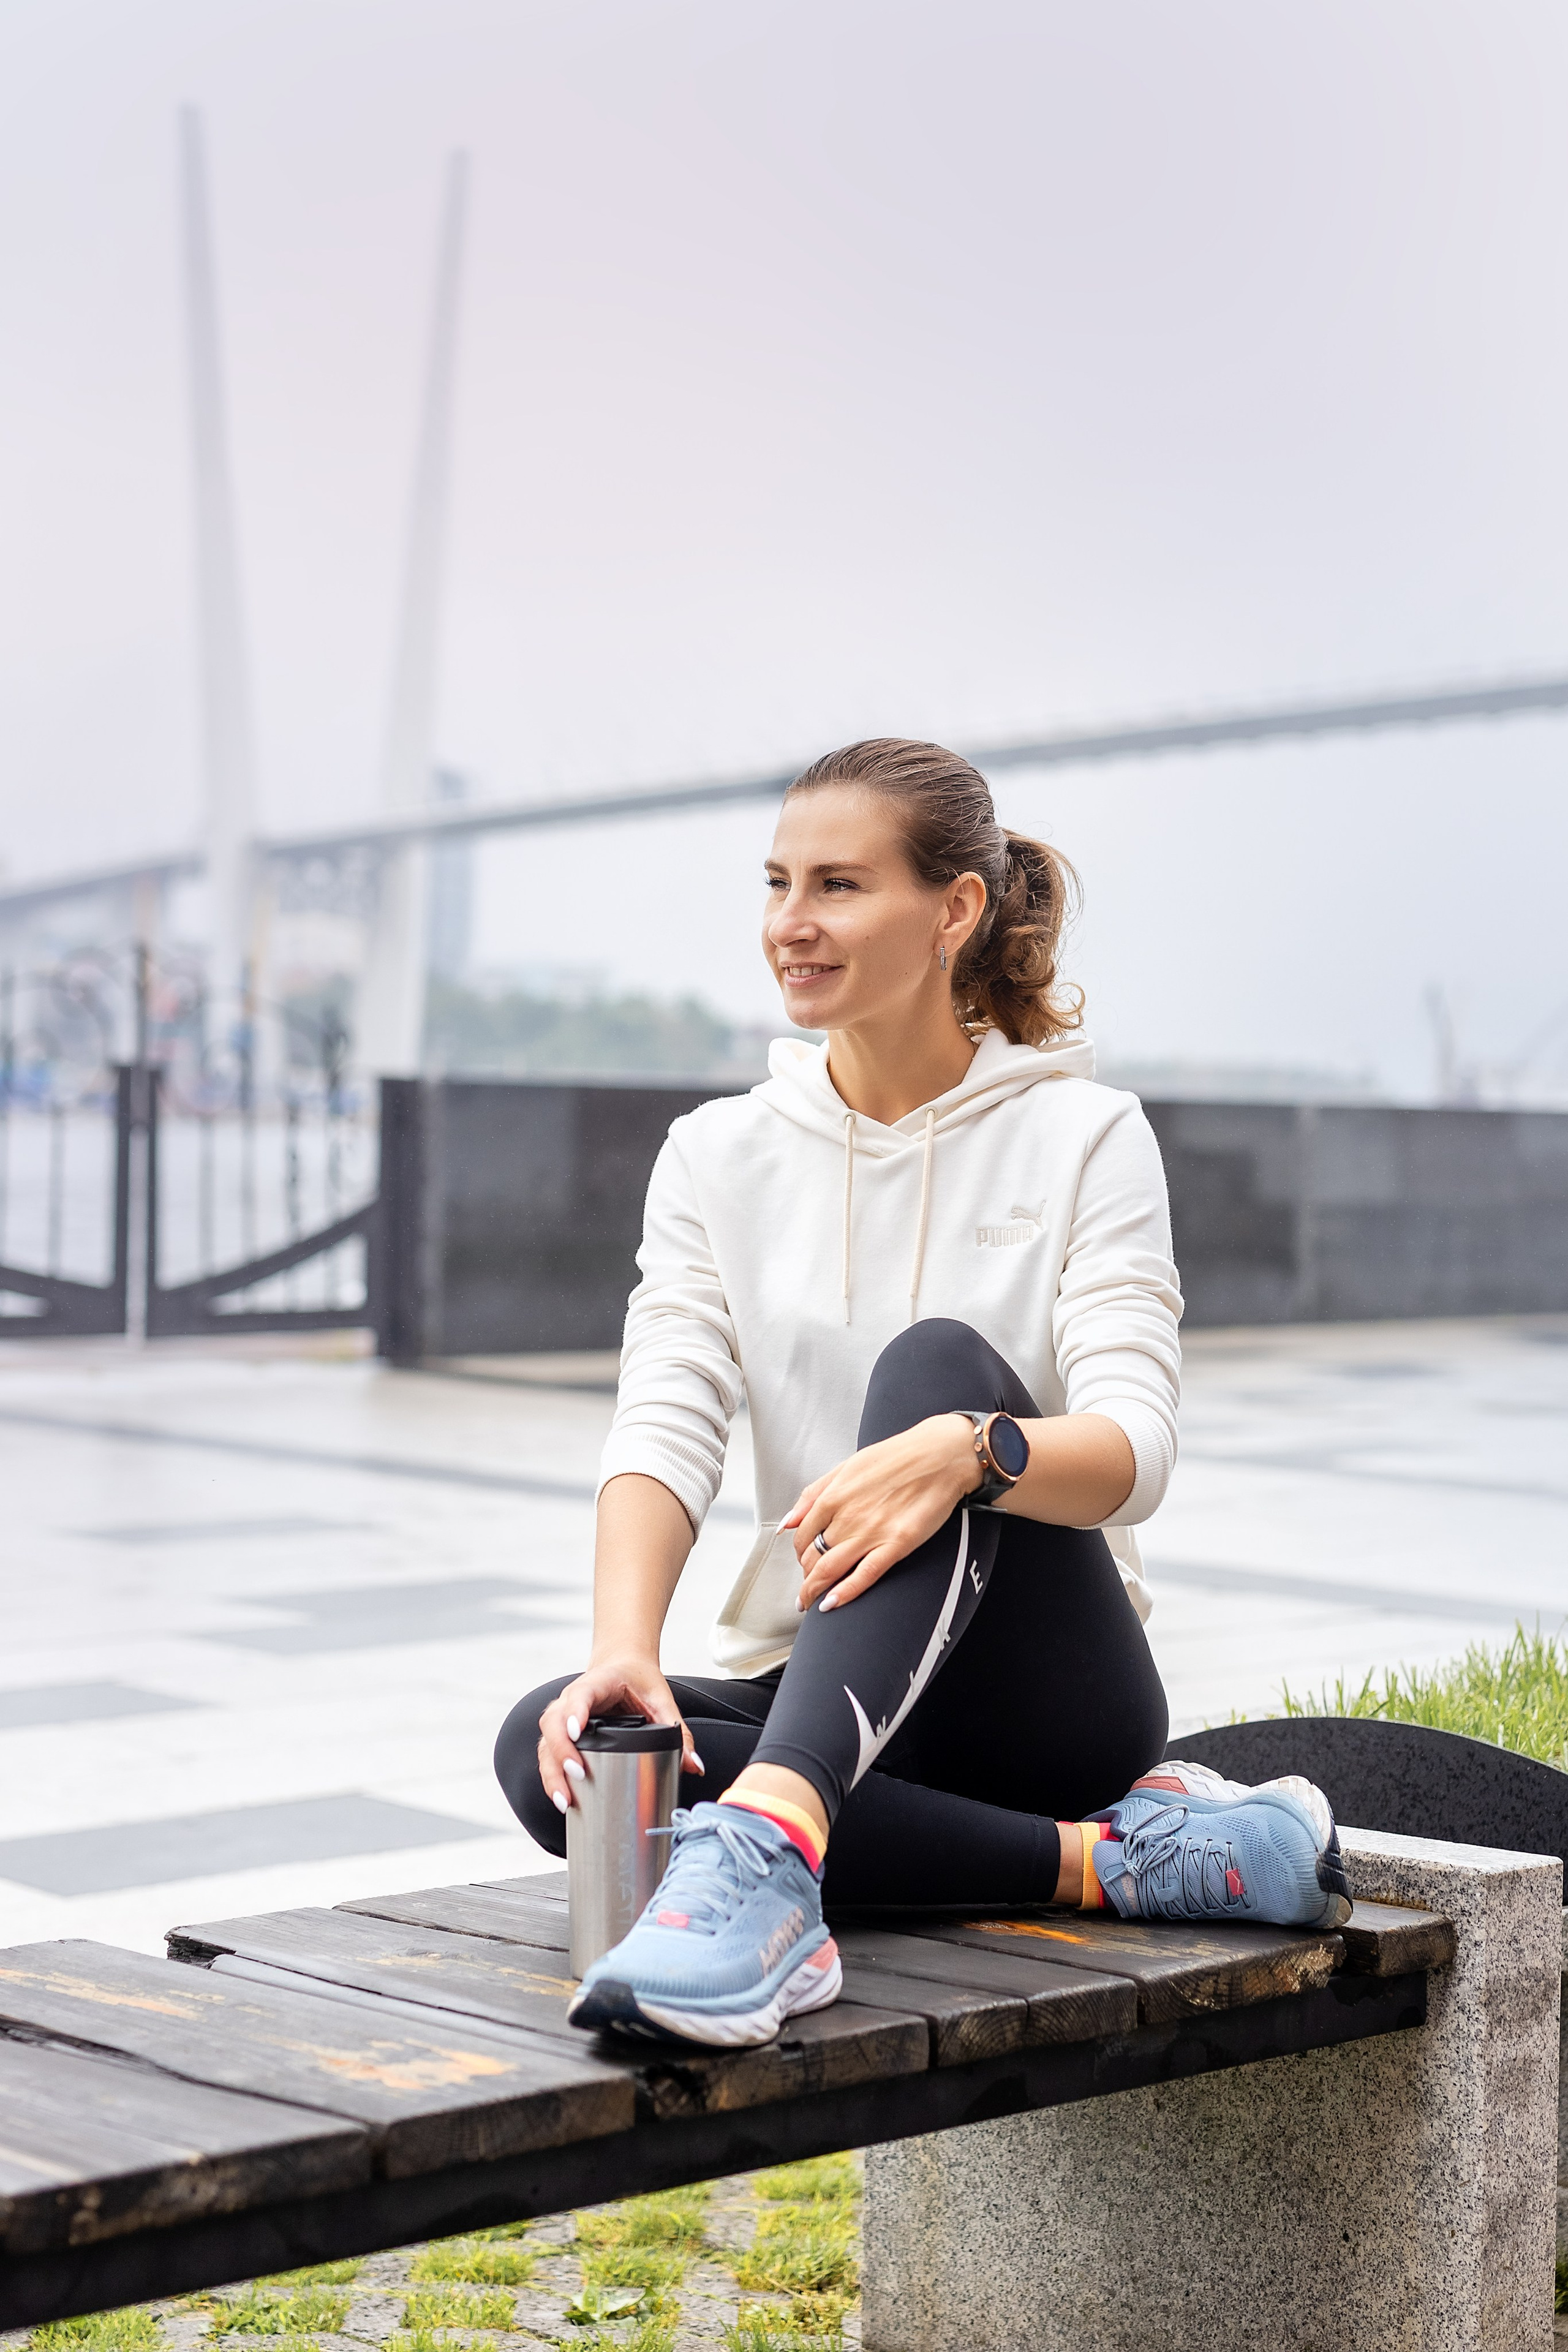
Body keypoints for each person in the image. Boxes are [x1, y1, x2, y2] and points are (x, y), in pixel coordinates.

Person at [494, 737, 1350, 2048]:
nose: (790, 923)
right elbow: (665, 1414)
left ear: (953, 909)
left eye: (837, 886)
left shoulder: (1084, 1135)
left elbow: (1137, 1445)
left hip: (1043, 1694)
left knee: (936, 1367)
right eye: (777, 883)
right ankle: (1110, 1861)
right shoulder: (714, 1155)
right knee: (560, 1754)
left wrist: (973, 1448)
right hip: (825, 1689)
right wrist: (622, 1652)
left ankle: (773, 1854)